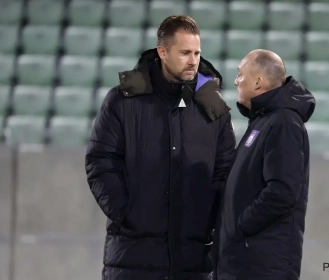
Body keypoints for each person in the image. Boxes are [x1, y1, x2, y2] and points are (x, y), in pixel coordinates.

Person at [85, 15, 236, 280]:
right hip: (133, 256)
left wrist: (209, 218)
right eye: (185, 53)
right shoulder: (122, 100)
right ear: (163, 52)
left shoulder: (213, 106)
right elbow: (100, 160)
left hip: (193, 258)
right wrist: (125, 212)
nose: (193, 61)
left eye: (197, 53)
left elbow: (225, 169)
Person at [213, 49, 316, 280]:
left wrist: (240, 228)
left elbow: (282, 191)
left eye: (240, 74)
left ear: (259, 81)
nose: (236, 81)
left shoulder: (284, 123)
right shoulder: (264, 121)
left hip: (261, 265)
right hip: (244, 261)